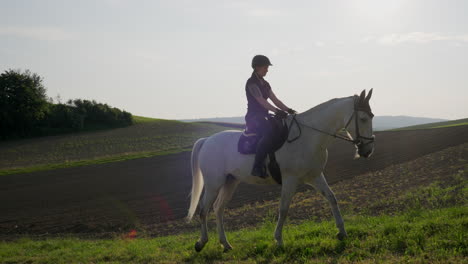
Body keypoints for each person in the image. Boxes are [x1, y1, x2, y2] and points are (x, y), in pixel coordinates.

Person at [245, 55, 296, 178]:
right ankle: (257, 167)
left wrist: (288, 109)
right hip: (254, 117)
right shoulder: (251, 83)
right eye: (265, 67)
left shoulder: (266, 84)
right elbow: (261, 101)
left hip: (265, 115)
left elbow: (275, 100)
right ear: (257, 67)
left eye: (267, 67)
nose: (267, 70)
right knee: (269, 132)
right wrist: (277, 111)